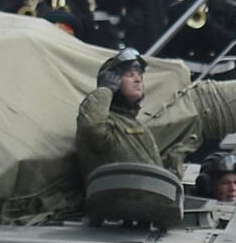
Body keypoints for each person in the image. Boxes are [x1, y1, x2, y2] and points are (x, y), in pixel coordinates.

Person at [75, 48, 176, 183]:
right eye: (130, 74)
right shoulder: (105, 121)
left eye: (139, 75)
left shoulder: (137, 125)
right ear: (112, 80)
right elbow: (92, 129)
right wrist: (105, 90)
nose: (138, 80)